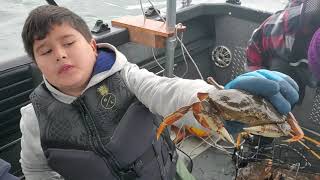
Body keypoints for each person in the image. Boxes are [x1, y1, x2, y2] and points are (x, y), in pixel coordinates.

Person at [19, 5, 299, 180]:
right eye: (45, 50)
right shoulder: (34, 118)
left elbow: (169, 91)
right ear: (37, 63)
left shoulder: (127, 76)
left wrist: (217, 99)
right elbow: (36, 170)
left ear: (92, 46)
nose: (60, 54)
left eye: (68, 42)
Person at [246, 0, 320, 102]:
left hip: (311, 70)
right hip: (289, 62)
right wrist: (254, 79)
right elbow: (255, 47)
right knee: (283, 86)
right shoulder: (283, 25)